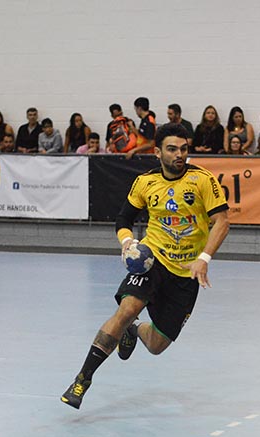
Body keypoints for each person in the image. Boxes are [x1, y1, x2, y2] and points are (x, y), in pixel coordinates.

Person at [60, 123, 230, 409]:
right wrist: (127, 242)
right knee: (126, 310)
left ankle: (135, 329)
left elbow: (222, 221)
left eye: (184, 149)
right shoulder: (145, 182)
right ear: (157, 152)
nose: (179, 155)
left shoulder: (202, 180)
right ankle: (82, 379)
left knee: (156, 345)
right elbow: (123, 219)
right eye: (172, 149)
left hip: (186, 273)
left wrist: (204, 259)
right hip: (153, 261)